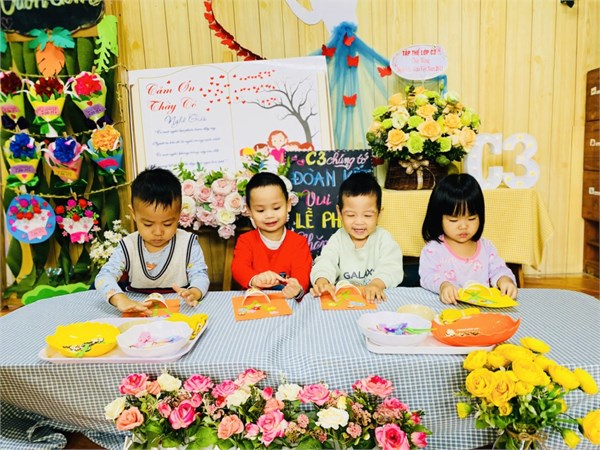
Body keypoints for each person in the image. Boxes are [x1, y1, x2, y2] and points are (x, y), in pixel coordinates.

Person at [96, 167, 209, 315]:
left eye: (167, 224)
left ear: (179, 214)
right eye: (148, 224)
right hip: (137, 308)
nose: (158, 232)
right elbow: (104, 276)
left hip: (180, 309)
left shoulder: (188, 243)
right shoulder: (128, 246)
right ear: (133, 214)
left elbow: (200, 275)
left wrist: (193, 292)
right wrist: (120, 299)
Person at [419, 173, 518, 304]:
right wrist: (443, 285)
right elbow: (428, 276)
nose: (463, 226)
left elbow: (499, 270)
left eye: (472, 218)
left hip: (482, 310)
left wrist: (505, 280)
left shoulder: (487, 248)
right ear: (438, 218)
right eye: (453, 220)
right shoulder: (433, 250)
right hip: (448, 309)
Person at [310, 171, 404, 302]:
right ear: (339, 212)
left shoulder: (384, 239)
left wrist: (377, 284)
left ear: (379, 214)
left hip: (376, 299)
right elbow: (326, 262)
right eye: (351, 215)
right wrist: (322, 280)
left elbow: (392, 267)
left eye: (367, 215)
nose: (359, 222)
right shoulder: (337, 239)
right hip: (344, 301)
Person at [231, 171, 312, 301]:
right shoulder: (245, 241)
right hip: (256, 303)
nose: (269, 215)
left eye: (276, 208)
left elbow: (302, 271)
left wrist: (297, 287)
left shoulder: (299, 242)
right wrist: (254, 279)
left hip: (289, 302)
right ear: (249, 211)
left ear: (288, 205)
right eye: (260, 210)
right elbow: (239, 268)